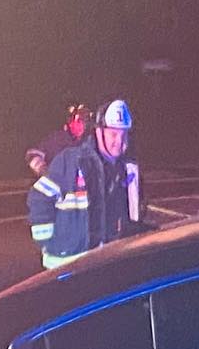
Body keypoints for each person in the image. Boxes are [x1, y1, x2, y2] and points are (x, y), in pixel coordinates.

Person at [26, 99, 144, 269]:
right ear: (98, 132)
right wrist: (49, 242)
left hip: (101, 264)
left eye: (124, 134)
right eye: (113, 134)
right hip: (66, 267)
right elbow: (39, 198)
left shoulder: (125, 169)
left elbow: (130, 216)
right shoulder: (72, 161)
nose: (119, 141)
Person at [24, 103, 89, 177]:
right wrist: (43, 169)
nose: (82, 124)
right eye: (77, 120)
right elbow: (33, 154)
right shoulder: (57, 139)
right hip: (59, 184)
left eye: (84, 120)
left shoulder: (92, 140)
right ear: (69, 121)